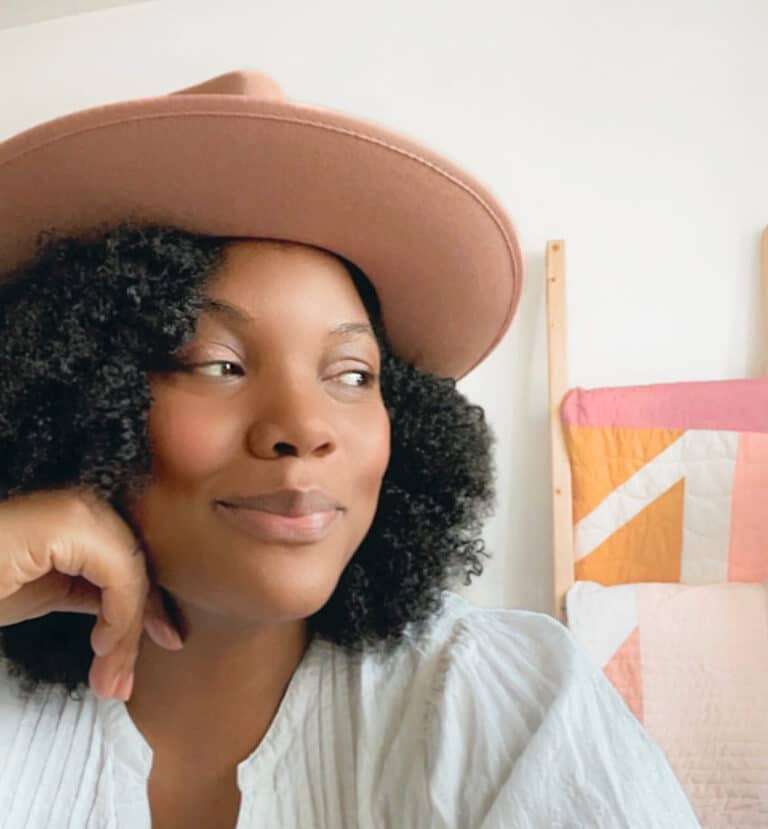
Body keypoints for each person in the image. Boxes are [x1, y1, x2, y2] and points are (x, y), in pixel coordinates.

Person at [0, 71, 700, 828]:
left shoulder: (511, 705)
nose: (305, 426)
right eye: (219, 364)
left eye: (352, 374)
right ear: (77, 396)